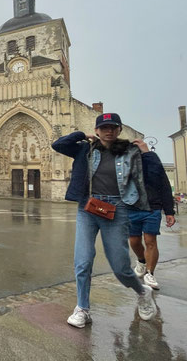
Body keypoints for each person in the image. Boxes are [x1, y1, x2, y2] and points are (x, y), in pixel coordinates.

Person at [51, 113, 157, 328]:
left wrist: (147, 154)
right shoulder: (85, 149)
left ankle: (142, 291)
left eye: (113, 127)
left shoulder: (130, 152)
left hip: (117, 209)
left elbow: (153, 175)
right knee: (82, 261)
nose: (109, 131)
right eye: (104, 127)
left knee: (120, 267)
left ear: (119, 130)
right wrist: (82, 135)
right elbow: (58, 144)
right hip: (88, 208)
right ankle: (82, 308)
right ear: (97, 131)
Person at [128, 139, 176, 290]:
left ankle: (150, 273)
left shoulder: (152, 161)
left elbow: (164, 185)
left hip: (152, 207)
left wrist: (169, 211)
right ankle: (141, 260)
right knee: (134, 241)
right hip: (132, 207)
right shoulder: (125, 164)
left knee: (150, 241)